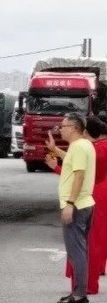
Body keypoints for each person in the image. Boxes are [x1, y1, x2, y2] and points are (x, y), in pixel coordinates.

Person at [48, 116, 107, 294]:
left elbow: (78, 174)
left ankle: (84, 288)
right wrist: (56, 150)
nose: (61, 130)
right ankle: (88, 282)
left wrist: (70, 203)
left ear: (83, 130)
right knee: (93, 241)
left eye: (64, 126)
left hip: (89, 195)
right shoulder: (94, 147)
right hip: (95, 194)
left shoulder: (91, 148)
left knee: (83, 245)